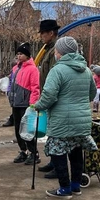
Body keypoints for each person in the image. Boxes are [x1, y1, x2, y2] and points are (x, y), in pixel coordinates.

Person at [33, 36, 97, 199]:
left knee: (58, 153)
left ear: (60, 53)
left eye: (56, 50)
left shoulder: (57, 70)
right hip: (82, 120)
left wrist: (38, 106)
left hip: (62, 121)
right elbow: (92, 93)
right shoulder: (87, 70)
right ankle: (76, 186)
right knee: (76, 152)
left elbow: (49, 95)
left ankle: (64, 189)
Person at [8, 43, 40, 165]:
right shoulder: (16, 68)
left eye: (21, 54)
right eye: (18, 54)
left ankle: (34, 152)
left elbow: (35, 88)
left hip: (26, 104)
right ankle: (23, 150)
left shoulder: (33, 69)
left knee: (27, 129)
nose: (19, 56)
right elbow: (12, 83)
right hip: (16, 102)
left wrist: (33, 104)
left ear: (27, 55)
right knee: (17, 128)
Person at [36, 19, 61, 177]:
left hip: (53, 98)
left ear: (51, 33)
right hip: (48, 95)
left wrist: (47, 98)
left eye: (43, 34)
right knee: (51, 132)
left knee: (56, 133)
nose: (41, 37)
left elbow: (53, 76)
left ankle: (58, 166)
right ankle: (53, 161)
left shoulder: (55, 51)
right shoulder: (48, 49)